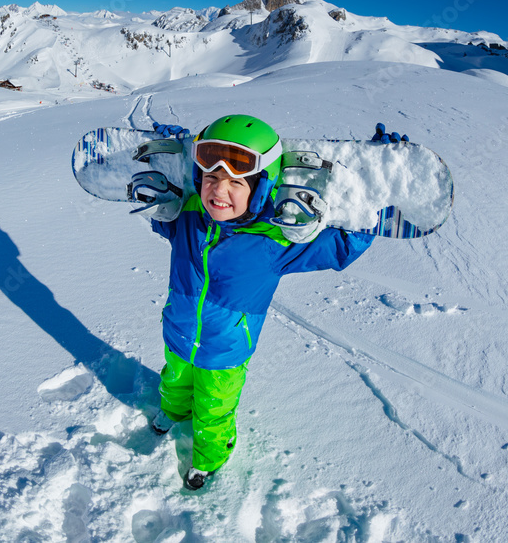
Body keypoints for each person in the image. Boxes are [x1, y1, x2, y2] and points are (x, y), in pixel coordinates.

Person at [142, 114, 402, 491]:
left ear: (261, 188)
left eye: (235, 182)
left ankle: (207, 460)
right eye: (211, 178)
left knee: (214, 409)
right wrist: (168, 162)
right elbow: (158, 212)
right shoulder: (187, 218)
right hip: (178, 332)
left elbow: (341, 245)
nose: (219, 190)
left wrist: (375, 182)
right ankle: (173, 411)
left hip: (226, 350)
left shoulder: (274, 242)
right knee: (175, 380)